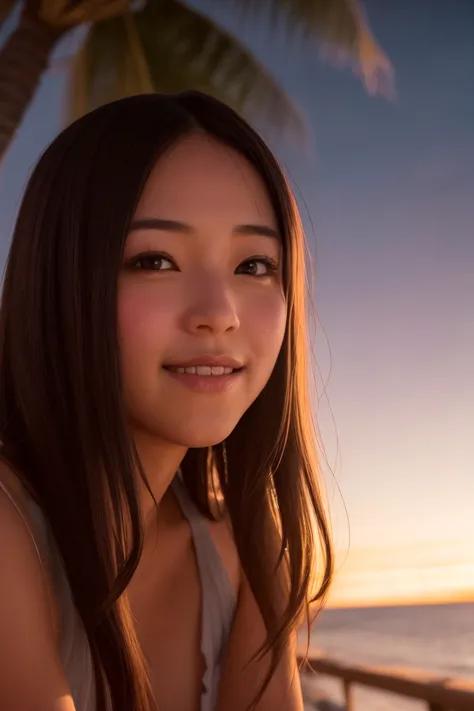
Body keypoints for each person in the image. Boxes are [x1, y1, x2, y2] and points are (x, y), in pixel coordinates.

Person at [0, 91, 333, 711]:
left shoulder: (239, 543)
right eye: (156, 260)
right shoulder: (9, 529)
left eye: (256, 264)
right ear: (63, 279)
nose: (219, 314)